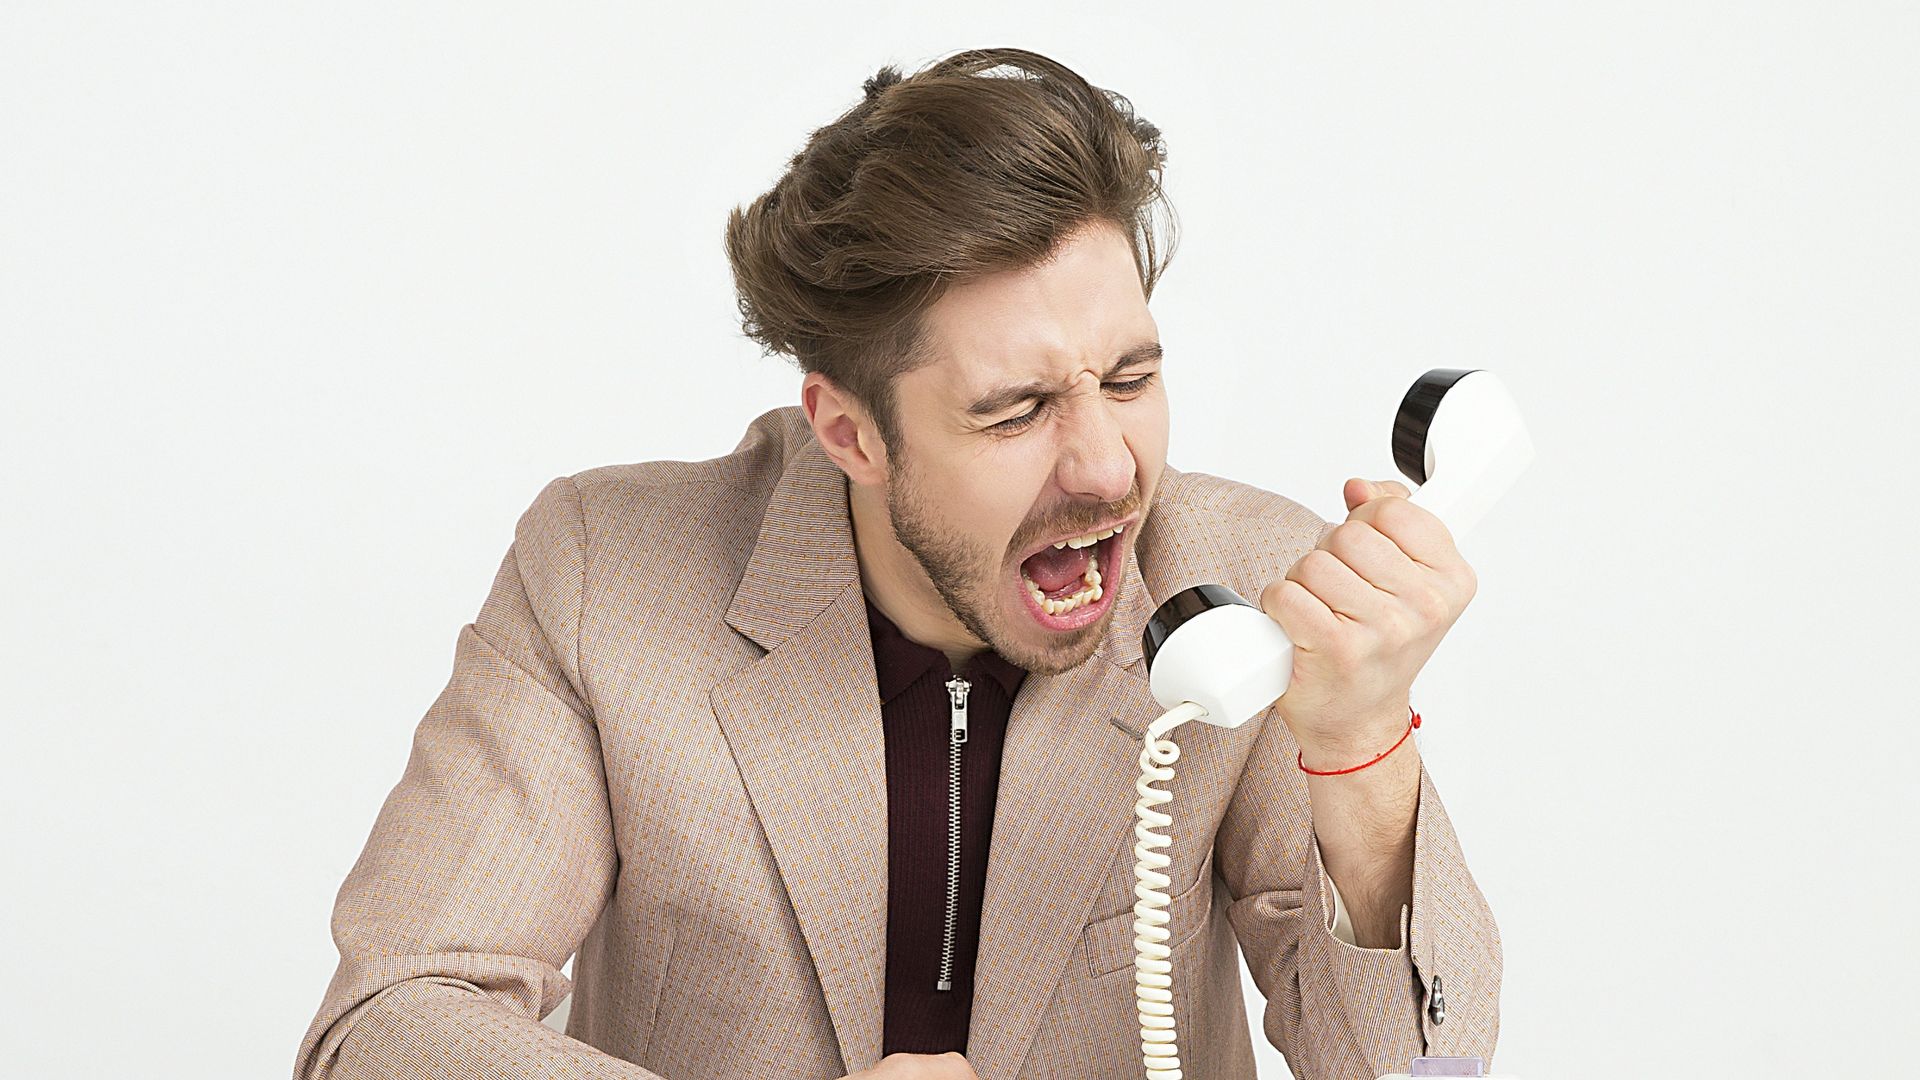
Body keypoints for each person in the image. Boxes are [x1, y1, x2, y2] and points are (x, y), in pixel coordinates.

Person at [294, 46, 1501, 1080]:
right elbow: (388, 1028)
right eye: (1015, 409)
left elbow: (1417, 1068)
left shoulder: (1241, 582)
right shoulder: (603, 571)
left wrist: (1360, 752)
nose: (1106, 468)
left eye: (1131, 380)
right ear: (849, 432)